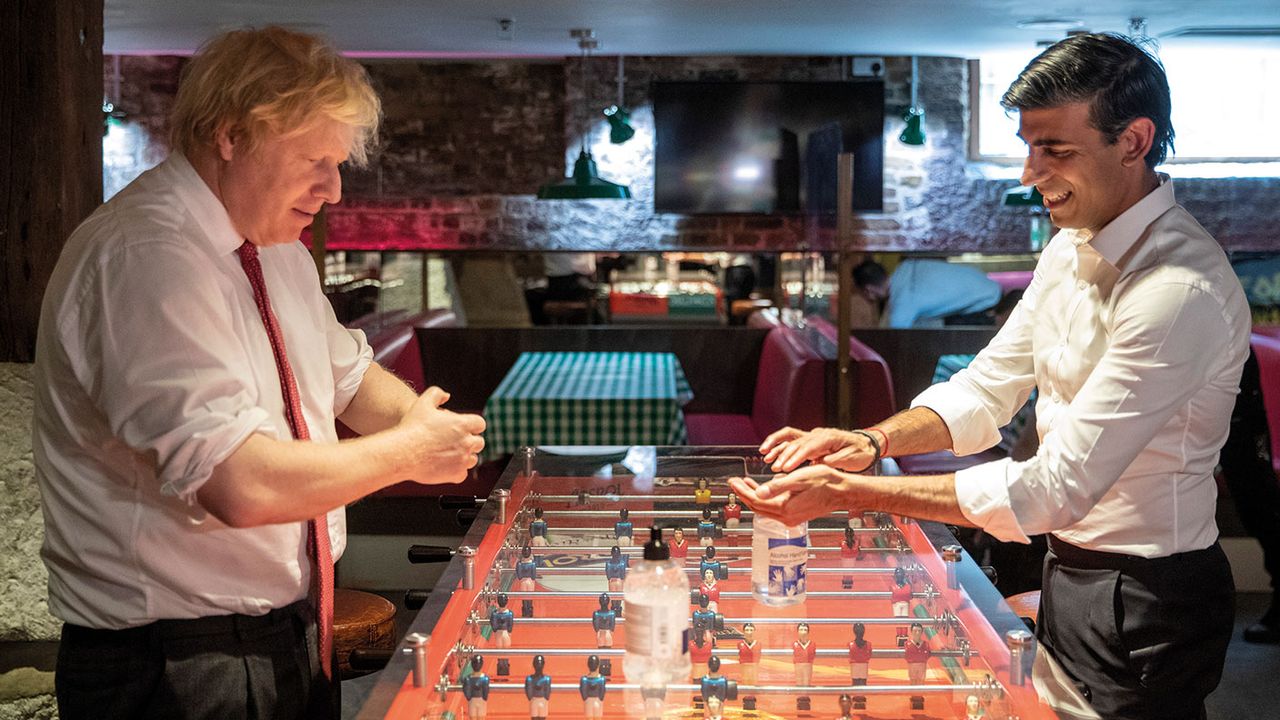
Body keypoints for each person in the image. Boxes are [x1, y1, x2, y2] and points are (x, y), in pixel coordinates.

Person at [731, 33, 1249, 720]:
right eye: (1028, 146)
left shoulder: (1176, 288)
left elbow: (1053, 488)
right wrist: (872, 443)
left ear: (1134, 140)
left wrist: (850, 494)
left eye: (1055, 149)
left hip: (1148, 594)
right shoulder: (1070, 248)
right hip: (1070, 567)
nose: (1032, 173)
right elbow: (984, 389)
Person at [32, 26, 487, 720]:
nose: (333, 189)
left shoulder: (276, 250)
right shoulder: (146, 255)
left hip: (287, 629)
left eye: (337, 164)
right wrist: (408, 454)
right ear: (229, 135)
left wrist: (418, 422)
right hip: (172, 662)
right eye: (314, 159)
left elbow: (349, 379)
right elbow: (237, 485)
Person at [851, 257, 1003, 328]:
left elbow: (894, 337)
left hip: (988, 306)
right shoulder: (906, 266)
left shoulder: (903, 301)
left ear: (869, 290)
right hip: (991, 287)